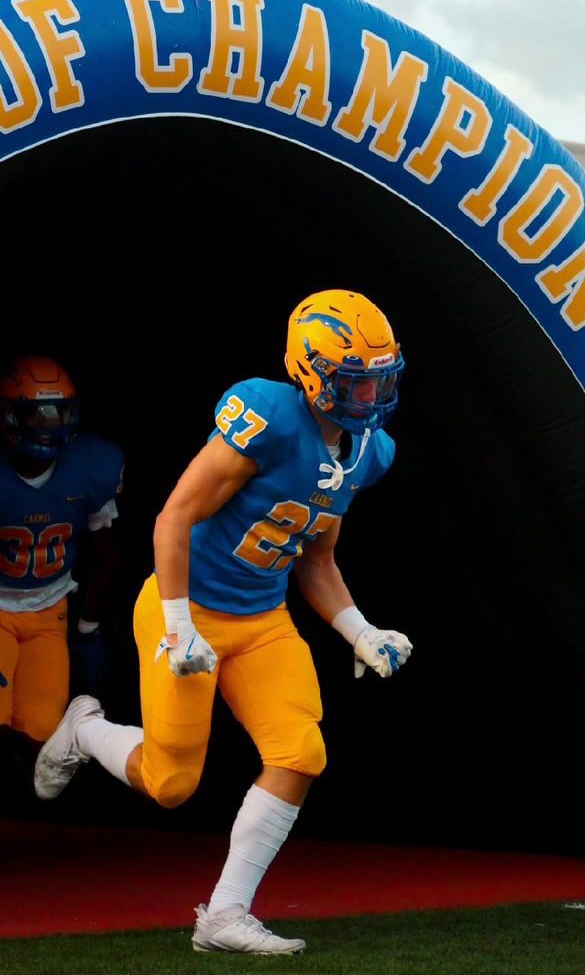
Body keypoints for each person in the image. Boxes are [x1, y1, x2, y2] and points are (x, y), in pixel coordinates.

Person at [33, 289, 413, 955]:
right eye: (354, 379)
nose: (369, 395)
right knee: (170, 785)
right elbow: (173, 517)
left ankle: (224, 916)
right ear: (309, 369)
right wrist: (180, 627)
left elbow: (315, 556)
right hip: (188, 608)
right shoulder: (267, 414)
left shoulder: (370, 451)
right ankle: (85, 729)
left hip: (262, 620)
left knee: (301, 752)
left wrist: (361, 630)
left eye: (380, 378)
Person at [0, 355, 124, 791]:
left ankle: (81, 731)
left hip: (49, 611)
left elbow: (106, 554)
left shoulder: (90, 465)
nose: (49, 424)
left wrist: (87, 629)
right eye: (37, 412)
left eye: (58, 411)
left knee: (39, 750)